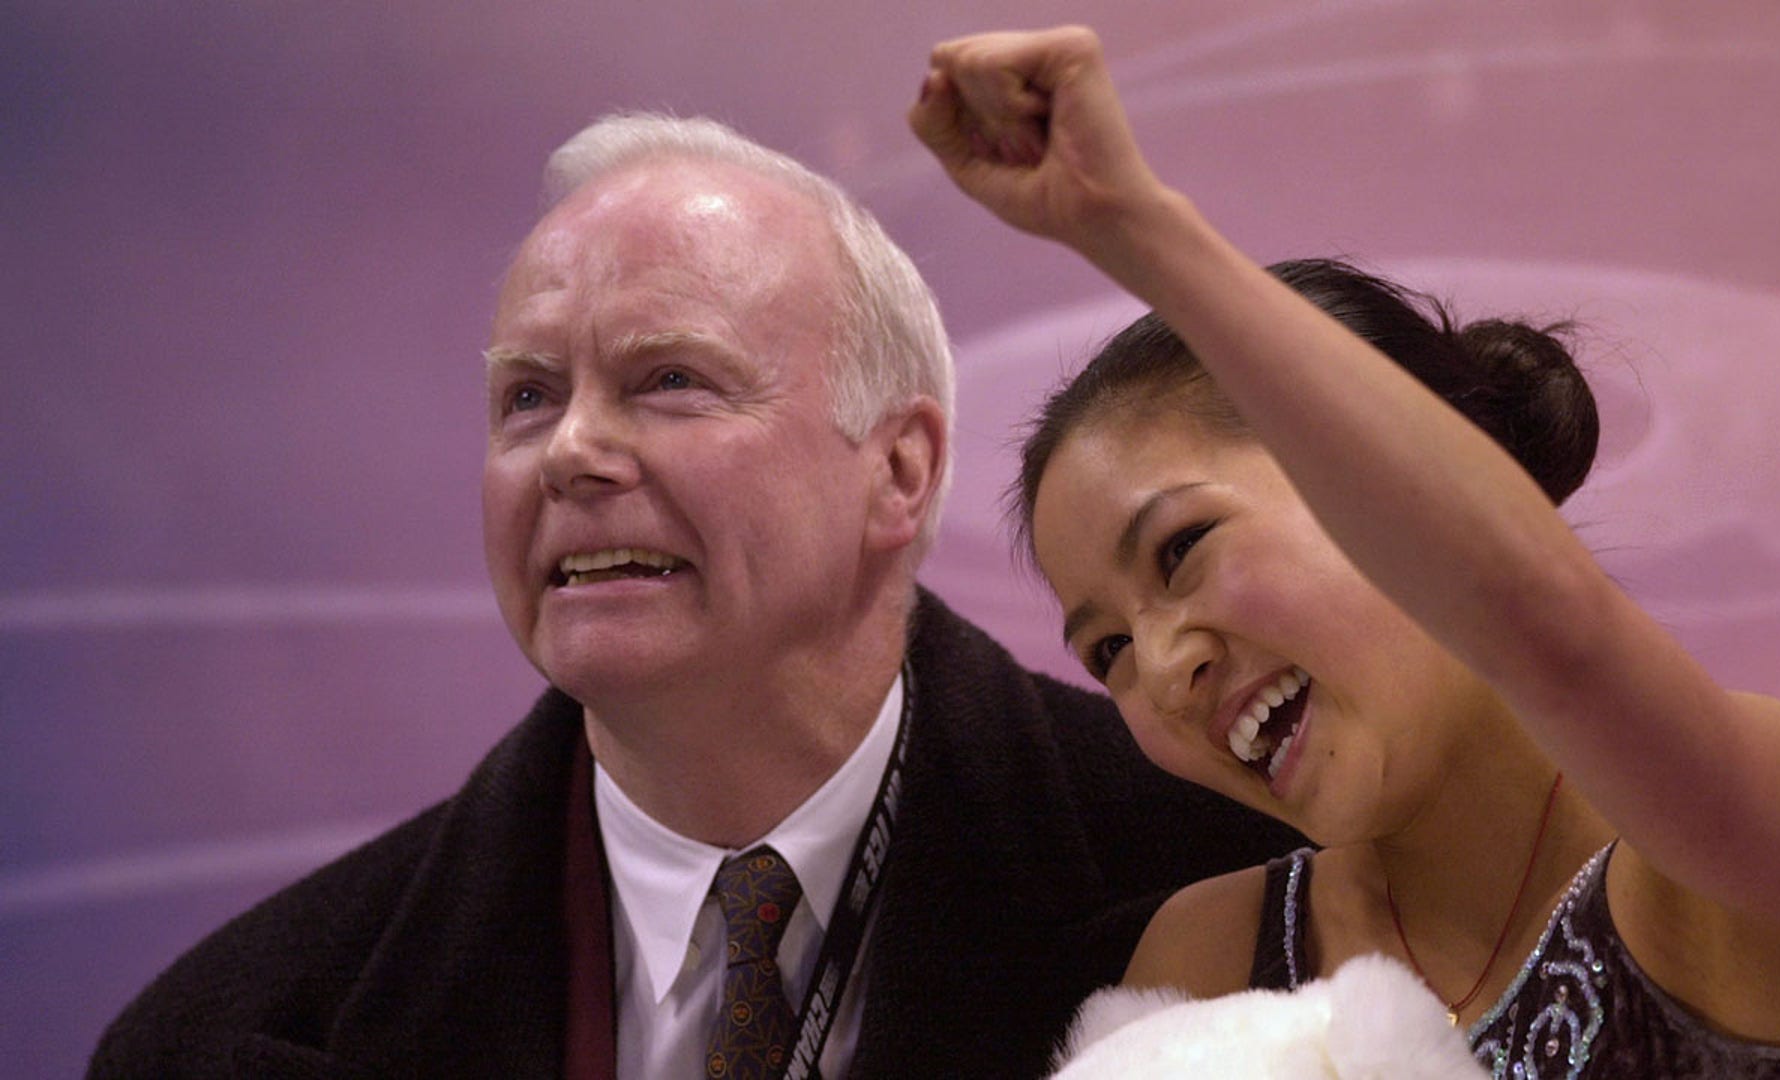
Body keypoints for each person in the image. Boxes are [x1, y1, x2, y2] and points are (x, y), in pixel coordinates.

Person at [87, 111, 1303, 1079]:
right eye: (526, 396)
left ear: (899, 468)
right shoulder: (227, 1033)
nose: (570, 451)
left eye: (668, 379)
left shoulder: (1265, 897)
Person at [910, 26, 1780, 1077]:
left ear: (1396, 473)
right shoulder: (1204, 965)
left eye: (1183, 547)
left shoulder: (1764, 844)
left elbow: (1551, 628)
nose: (1159, 668)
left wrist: (1137, 227)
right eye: (1105, 650)